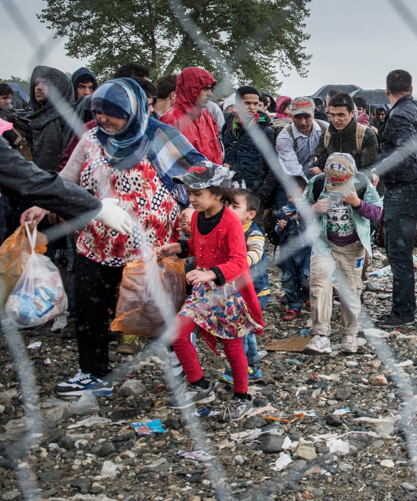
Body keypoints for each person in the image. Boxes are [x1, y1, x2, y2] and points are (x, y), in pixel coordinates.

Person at [22, 78, 204, 396]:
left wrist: (193, 209)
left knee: (163, 310)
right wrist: (41, 203)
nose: (104, 119)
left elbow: (199, 173)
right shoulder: (92, 138)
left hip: (153, 247)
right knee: (91, 308)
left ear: (131, 110)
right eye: (100, 112)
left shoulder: (160, 137)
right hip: (98, 242)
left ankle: (188, 374)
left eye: (113, 113)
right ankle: (93, 374)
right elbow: (67, 179)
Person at [155, 165, 263, 420]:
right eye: (190, 192)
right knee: (178, 334)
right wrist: (177, 247)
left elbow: (238, 261)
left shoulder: (231, 222)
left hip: (228, 292)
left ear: (217, 194)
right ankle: (200, 386)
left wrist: (210, 273)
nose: (190, 198)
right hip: (203, 291)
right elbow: (200, 244)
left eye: (196, 193)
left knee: (232, 346)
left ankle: (242, 396)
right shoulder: (196, 217)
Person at [371, 70, 417, 329]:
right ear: (411, 87)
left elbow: (404, 151)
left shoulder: (399, 114)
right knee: (401, 251)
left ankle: (403, 312)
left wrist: (379, 170)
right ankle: (405, 307)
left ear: (387, 90)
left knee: (398, 253)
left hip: (403, 188)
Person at [304, 153, 383, 354]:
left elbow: (377, 213)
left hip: (352, 245)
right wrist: (314, 208)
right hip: (323, 243)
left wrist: (357, 203)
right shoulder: (318, 182)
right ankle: (320, 335)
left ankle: (349, 334)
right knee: (319, 286)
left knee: (351, 289)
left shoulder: (363, 183)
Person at [218, 189, 268, 384]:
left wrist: (239, 262)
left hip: (254, 291)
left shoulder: (254, 234)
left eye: (235, 206)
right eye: (227, 205)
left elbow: (255, 253)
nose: (228, 209)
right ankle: (251, 365)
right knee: (244, 328)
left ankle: (242, 366)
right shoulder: (228, 228)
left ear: (250, 214)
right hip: (236, 291)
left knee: (241, 329)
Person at [222, 86, 277, 205]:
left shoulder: (265, 131)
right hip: (228, 192)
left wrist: (260, 196)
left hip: (252, 194)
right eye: (247, 103)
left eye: (255, 104)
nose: (252, 107)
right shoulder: (227, 126)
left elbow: (274, 167)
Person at [159, 67, 224, 165]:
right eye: (205, 88)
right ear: (191, 88)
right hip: (183, 179)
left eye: (211, 89)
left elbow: (216, 154)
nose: (210, 94)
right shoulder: (169, 121)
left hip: (210, 177)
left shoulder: (207, 116)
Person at [313, 92, 380, 174]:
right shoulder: (326, 136)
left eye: (341, 115)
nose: (336, 120)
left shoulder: (365, 135)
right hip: (332, 185)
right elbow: (321, 164)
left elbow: (369, 170)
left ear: (352, 113)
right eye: (332, 115)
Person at [27, 65, 74, 172]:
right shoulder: (27, 119)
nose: (38, 87)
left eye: (45, 83)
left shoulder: (68, 120)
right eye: (37, 83)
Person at [274, 188, 311, 320]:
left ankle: (307, 297)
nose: (294, 199)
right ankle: (294, 305)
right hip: (288, 250)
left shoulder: (310, 209)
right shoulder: (283, 212)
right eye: (291, 196)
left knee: (305, 276)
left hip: (306, 249)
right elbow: (277, 231)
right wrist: (281, 227)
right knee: (288, 278)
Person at [275, 97, 328, 189]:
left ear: (313, 114)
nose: (303, 122)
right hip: (292, 181)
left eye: (307, 117)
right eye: (297, 117)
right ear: (291, 115)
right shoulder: (285, 137)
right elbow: (292, 167)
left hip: (320, 178)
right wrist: (307, 189)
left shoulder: (326, 129)